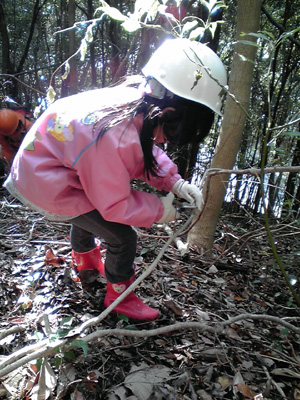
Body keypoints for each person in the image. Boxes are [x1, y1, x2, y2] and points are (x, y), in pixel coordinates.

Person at [4, 38, 227, 322]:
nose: (164, 141)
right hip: (43, 182)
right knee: (122, 236)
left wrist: (174, 182)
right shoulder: (110, 134)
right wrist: (161, 210)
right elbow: (114, 204)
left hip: (47, 168)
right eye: (169, 133)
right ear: (169, 112)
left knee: (86, 210)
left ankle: (85, 261)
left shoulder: (135, 103)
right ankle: (120, 296)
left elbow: (141, 151)